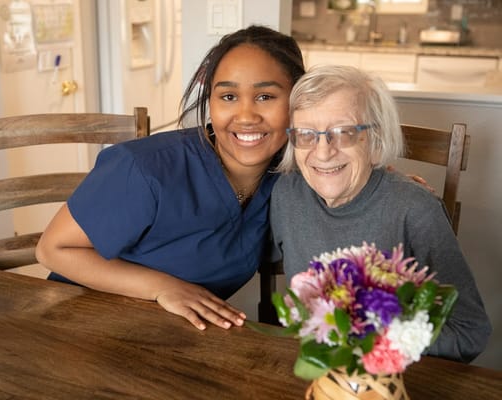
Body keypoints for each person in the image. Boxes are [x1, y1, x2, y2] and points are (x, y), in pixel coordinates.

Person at [35, 25, 305, 331]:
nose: (245, 116)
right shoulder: (145, 168)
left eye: (265, 96)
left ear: (298, 101)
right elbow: (51, 250)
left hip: (176, 340)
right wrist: (161, 287)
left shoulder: (286, 181)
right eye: (228, 96)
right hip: (80, 327)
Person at [269, 64, 491, 362]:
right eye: (306, 134)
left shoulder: (415, 210)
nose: (322, 152)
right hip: (313, 372)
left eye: (344, 132)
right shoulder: (286, 194)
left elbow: (470, 332)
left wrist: (375, 340)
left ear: (375, 143)